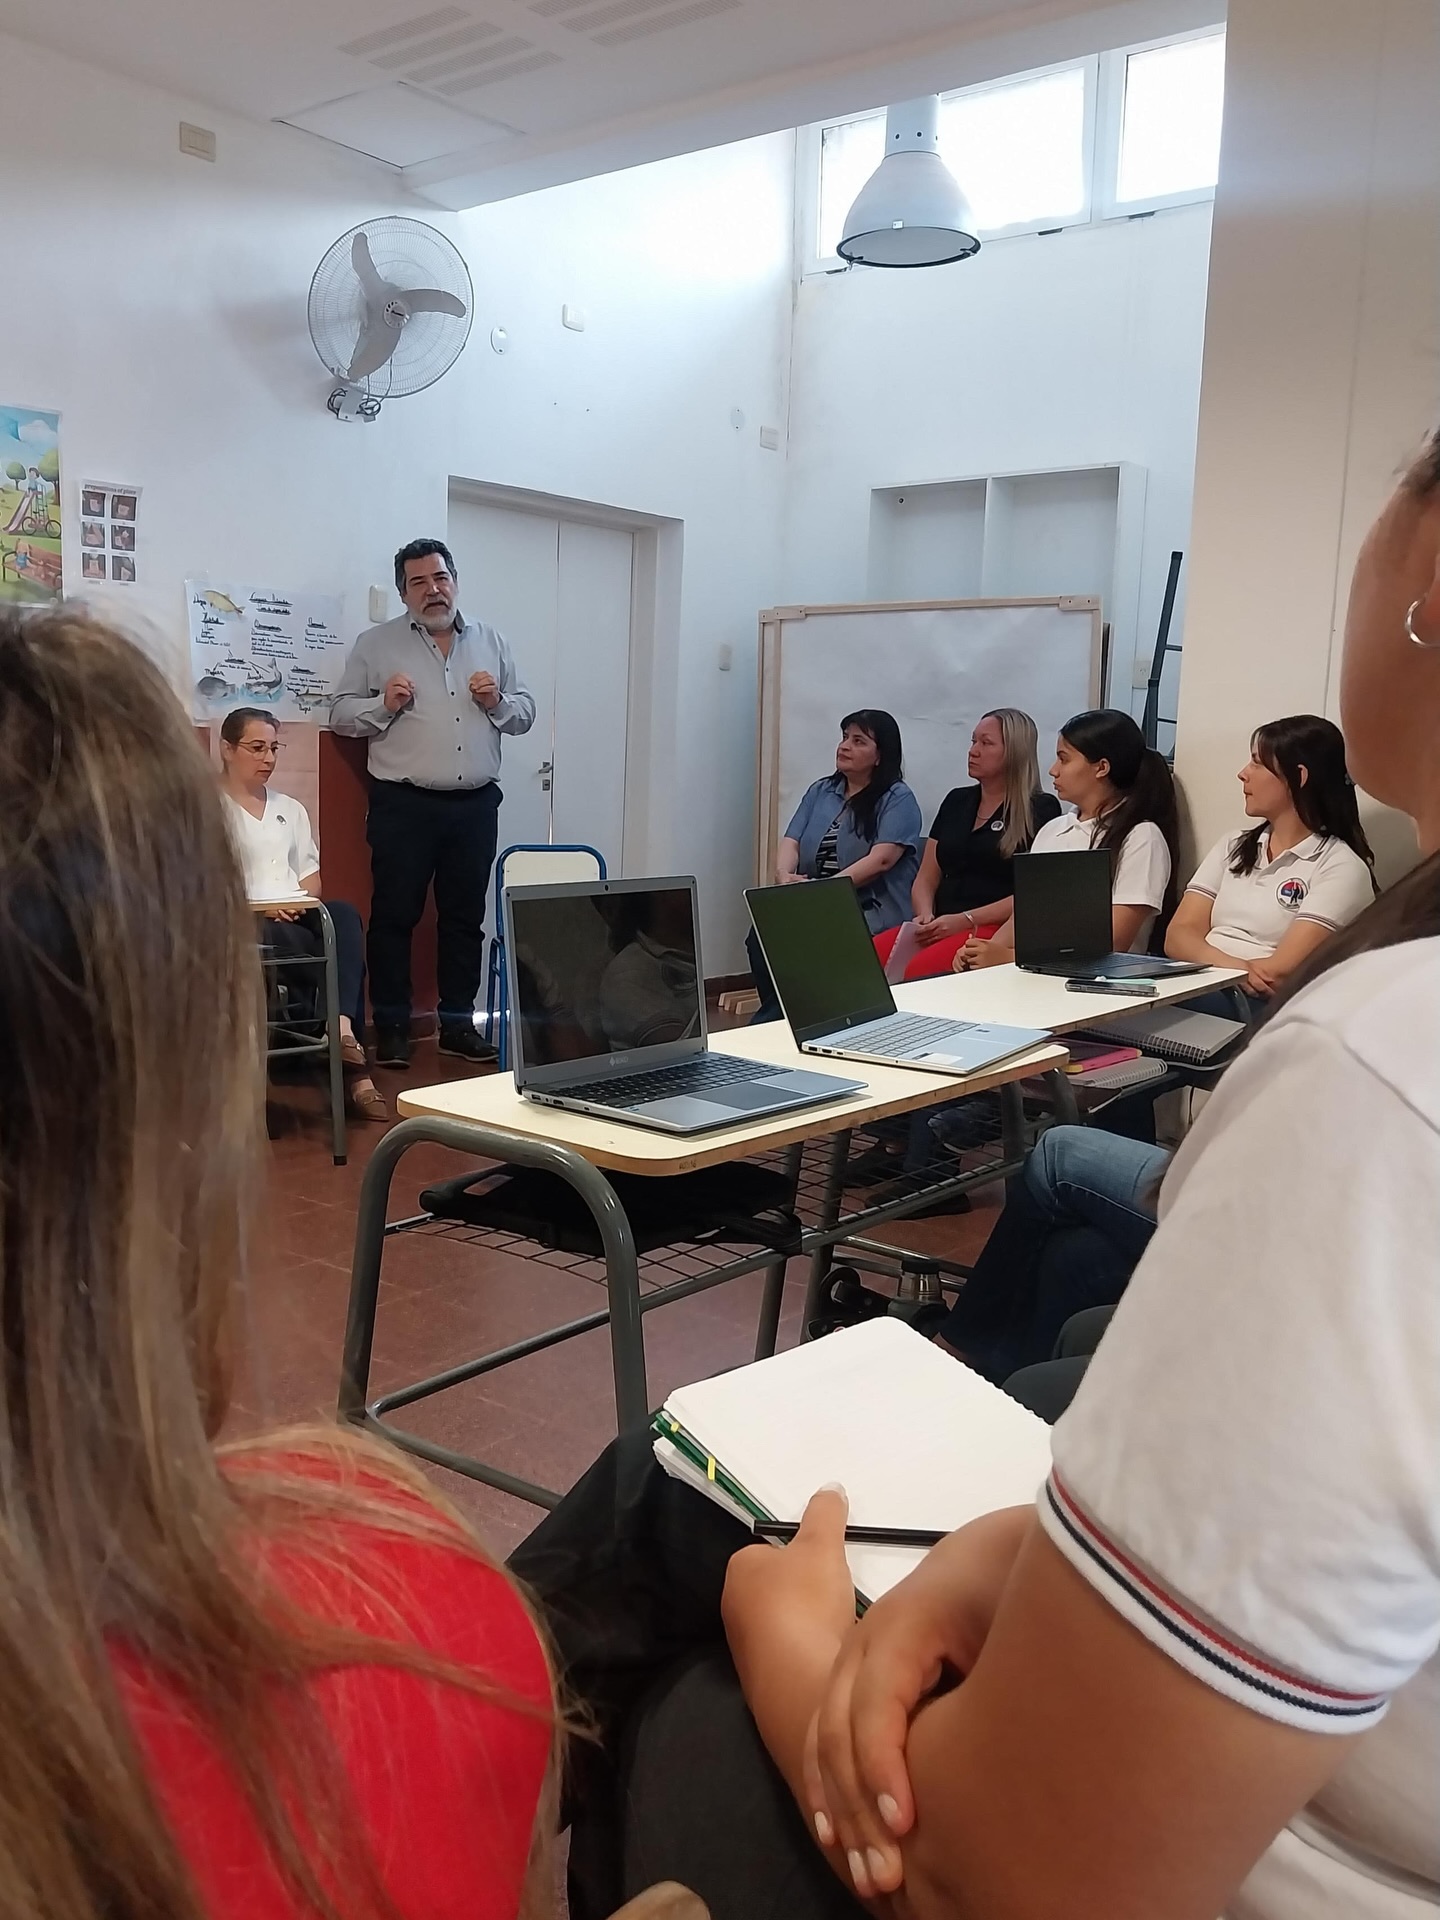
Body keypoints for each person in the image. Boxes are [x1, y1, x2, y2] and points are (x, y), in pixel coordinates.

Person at [534, 426, 1440, 1920]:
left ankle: (422, 1793)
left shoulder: (1378, 1078)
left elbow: (994, 1877)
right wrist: (995, 1560)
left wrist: (791, 1631)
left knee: (678, 1565)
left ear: (1427, 590)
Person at [0, 605, 559, 1920]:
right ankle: (358, 1062)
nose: (263, 756)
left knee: (335, 929)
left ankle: (356, 1055)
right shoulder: (416, 1619)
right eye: (252, 744)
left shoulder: (308, 807)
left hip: (293, 921)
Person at [329, 537, 535, 1069]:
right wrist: (383, 704)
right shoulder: (375, 645)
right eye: (418, 582)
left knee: (464, 920)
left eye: (440, 577)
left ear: (455, 581)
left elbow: (524, 714)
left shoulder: (491, 640)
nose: (432, 590)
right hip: (403, 805)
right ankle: (393, 1029)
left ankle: (458, 1026)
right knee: (394, 918)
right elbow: (340, 716)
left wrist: (497, 701)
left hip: (474, 807)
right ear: (403, 593)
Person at [218, 707, 387, 1124]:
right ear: (227, 749)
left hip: (297, 910)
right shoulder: (207, 808)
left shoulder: (289, 808)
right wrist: (266, 907)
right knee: (323, 952)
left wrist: (299, 902)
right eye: (257, 748)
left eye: (274, 748)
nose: (268, 758)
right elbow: (206, 883)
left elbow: (311, 878)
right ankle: (355, 1073)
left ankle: (340, 1029)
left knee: (342, 917)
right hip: (245, 918)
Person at [1166, 712, 1377, 996]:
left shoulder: (1340, 866)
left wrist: (1212, 966)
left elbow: (1279, 972)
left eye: (1257, 762)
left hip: (1252, 1003)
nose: (1243, 773)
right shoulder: (1233, 845)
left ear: (1298, 777)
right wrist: (1236, 969)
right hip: (1199, 984)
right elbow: (1177, 936)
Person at [955, 706, 1180, 970]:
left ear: (1101, 767)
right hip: (1032, 973)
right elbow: (1022, 919)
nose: (1053, 770)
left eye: (1064, 759)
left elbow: (1114, 942)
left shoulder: (1141, 837)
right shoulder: (1053, 830)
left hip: (1096, 980)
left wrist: (1009, 958)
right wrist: (982, 952)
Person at [747, 710, 922, 1023]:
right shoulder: (822, 790)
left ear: (880, 755)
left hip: (867, 906)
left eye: (858, 741)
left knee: (806, 943)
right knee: (761, 933)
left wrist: (824, 891)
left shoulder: (897, 798)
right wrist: (784, 875)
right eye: (844, 738)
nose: (845, 746)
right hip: (817, 897)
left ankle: (775, 1023)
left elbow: (881, 860)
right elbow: (792, 840)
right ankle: (787, 1016)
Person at [876, 708, 1060, 981]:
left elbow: (1032, 894)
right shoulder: (956, 801)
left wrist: (966, 919)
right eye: (973, 742)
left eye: (986, 743)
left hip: (995, 926)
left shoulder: (1040, 809)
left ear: (1014, 752)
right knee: (866, 958)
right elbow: (926, 876)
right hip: (941, 922)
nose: (973, 751)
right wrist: (924, 914)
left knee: (919, 971)